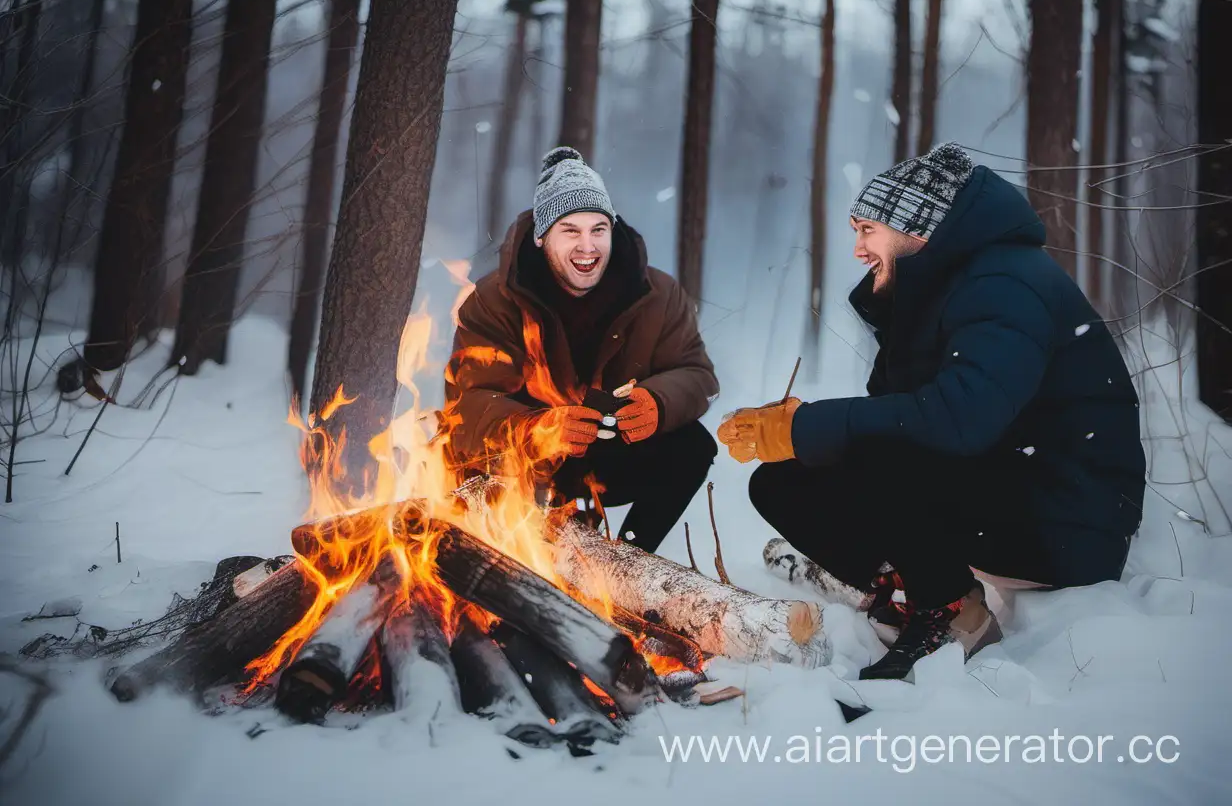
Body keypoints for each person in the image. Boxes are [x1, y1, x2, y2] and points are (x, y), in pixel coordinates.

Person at [717, 143, 1145, 681]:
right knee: (783, 482)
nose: (857, 249)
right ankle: (911, 591)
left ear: (917, 227)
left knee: (881, 451)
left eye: (867, 230)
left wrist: (808, 425)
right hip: (1015, 490)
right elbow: (893, 413)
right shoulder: (941, 290)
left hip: (1067, 523)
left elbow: (960, 418)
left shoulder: (1004, 284)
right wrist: (798, 425)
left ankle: (949, 614)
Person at [444, 146, 719, 553]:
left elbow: (696, 373)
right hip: (527, 464)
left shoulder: (658, 294)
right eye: (570, 230)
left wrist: (657, 402)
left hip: (607, 451)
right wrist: (539, 430)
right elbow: (467, 406)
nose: (587, 247)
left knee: (693, 446)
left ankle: (630, 561)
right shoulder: (494, 301)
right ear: (541, 237)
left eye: (598, 229)